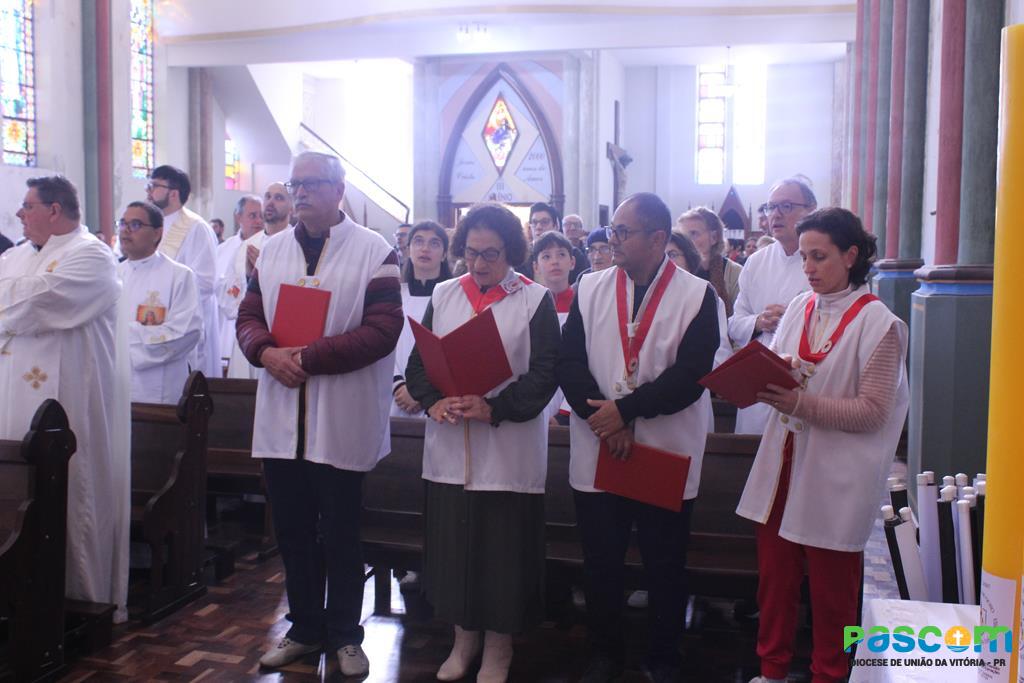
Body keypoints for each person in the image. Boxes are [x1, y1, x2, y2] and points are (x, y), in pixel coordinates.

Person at [236, 152, 402, 677]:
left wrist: (304, 358)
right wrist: (265, 353)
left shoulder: (375, 251)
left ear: (340, 188)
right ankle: (305, 629)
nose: (301, 193)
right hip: (283, 416)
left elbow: (382, 331)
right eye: (294, 184)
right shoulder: (271, 250)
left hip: (340, 417)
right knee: (293, 531)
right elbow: (247, 317)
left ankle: (346, 635)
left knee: (342, 533)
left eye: (312, 184)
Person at [739, 208, 908, 683]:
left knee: (834, 593)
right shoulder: (800, 306)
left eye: (819, 256)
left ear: (851, 256)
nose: (808, 267)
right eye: (805, 256)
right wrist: (778, 373)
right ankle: (771, 671)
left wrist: (799, 401)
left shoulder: (880, 324)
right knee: (775, 583)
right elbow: (788, 364)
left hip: (836, 477)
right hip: (783, 468)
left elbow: (873, 411)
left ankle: (831, 675)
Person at [558, 192, 720, 683]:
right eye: (611, 231)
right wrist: (606, 422)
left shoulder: (697, 295)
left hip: (662, 449)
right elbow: (570, 363)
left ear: (657, 239)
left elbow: (692, 375)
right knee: (601, 563)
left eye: (622, 232)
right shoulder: (589, 287)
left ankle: (663, 656)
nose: (611, 240)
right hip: (598, 447)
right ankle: (605, 653)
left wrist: (625, 412)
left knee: (664, 564)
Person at [405, 204, 559, 683]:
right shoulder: (447, 294)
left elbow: (545, 374)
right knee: (455, 551)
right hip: (451, 446)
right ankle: (463, 639)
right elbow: (418, 367)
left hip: (508, 449)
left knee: (501, 556)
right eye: (471, 253)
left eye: (490, 254)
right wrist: (432, 401)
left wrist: (496, 406)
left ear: (511, 251)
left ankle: (499, 647)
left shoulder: (534, 300)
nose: (479, 264)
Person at [0, 175, 130, 621]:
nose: (19, 214)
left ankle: (79, 598)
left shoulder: (91, 255)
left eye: (27, 205)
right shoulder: (16, 256)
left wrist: (13, 302)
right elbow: (20, 304)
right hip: (10, 401)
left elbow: (41, 305)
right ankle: (16, 593)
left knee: (74, 491)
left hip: (71, 400)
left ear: (54, 210)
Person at [728, 178, 817, 434]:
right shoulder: (756, 262)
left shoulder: (823, 259)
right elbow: (734, 324)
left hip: (805, 379)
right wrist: (758, 321)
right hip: (760, 381)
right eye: (770, 207)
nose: (775, 215)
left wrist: (793, 318)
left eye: (786, 206)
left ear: (810, 210)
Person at [117, 201, 202, 404]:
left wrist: (123, 338)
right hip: (116, 386)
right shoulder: (112, 274)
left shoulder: (179, 276)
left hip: (160, 392)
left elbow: (186, 332)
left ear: (157, 233)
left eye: (136, 224)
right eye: (122, 223)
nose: (126, 231)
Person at [147, 165, 222, 380]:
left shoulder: (196, 227)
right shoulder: (152, 225)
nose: (148, 191)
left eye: (154, 186)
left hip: (185, 323)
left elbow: (207, 282)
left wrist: (169, 294)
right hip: (153, 319)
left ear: (173, 193)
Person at [392, 220, 452, 417]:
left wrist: (420, 390)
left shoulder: (454, 299)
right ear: (408, 250)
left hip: (437, 400)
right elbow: (381, 346)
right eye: (418, 241)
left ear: (444, 254)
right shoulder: (392, 297)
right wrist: (399, 385)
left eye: (434, 243)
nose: (425, 248)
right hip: (394, 397)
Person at [533, 230, 576, 425]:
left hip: (572, 404)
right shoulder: (529, 306)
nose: (554, 261)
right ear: (536, 266)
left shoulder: (582, 304)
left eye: (561, 255)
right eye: (546, 256)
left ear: (572, 262)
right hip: (533, 403)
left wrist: (564, 413)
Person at [218, 195, 264, 374]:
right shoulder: (222, 250)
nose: (258, 221)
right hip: (226, 326)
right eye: (253, 215)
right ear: (238, 217)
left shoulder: (271, 244)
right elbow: (214, 288)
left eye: (261, 216)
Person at [678, 207, 742, 316]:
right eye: (682, 235)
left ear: (714, 237)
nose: (686, 241)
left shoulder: (734, 272)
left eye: (693, 233)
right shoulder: (676, 271)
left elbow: (740, 317)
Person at [523, 202, 589, 283]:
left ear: (556, 226)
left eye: (544, 222)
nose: (538, 227)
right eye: (535, 222)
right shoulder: (523, 256)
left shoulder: (573, 253)